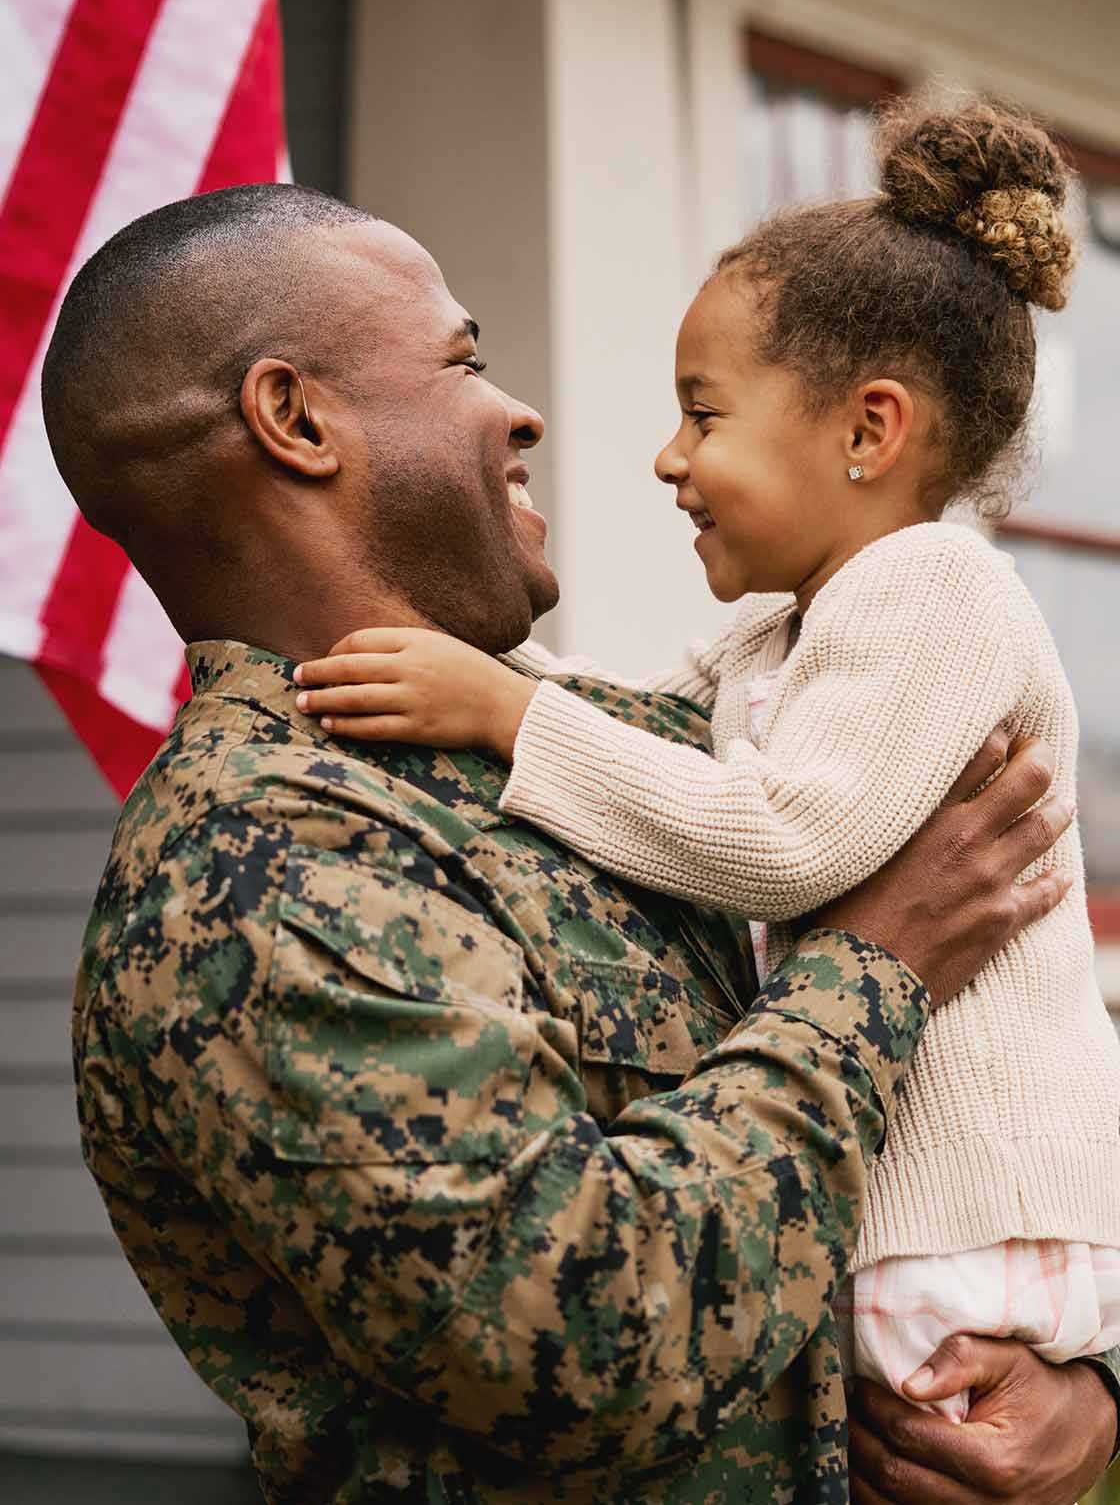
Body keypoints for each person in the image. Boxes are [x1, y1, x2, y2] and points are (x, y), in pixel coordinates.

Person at [41, 183, 1119, 1504]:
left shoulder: (585, 730)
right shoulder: (255, 869)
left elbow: (1001, 1070)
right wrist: (877, 961)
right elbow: (594, 1346)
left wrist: (1078, 1392)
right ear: (297, 418)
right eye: (463, 361)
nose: (523, 411)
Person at [292, 95, 1120, 1426]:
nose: (671, 461)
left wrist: (506, 720)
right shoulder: (793, 623)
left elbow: (784, 841)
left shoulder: (931, 587)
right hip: (923, 1227)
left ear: (869, 432)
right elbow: (638, 721)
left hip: (969, 1234)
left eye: (705, 416)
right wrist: (491, 666)